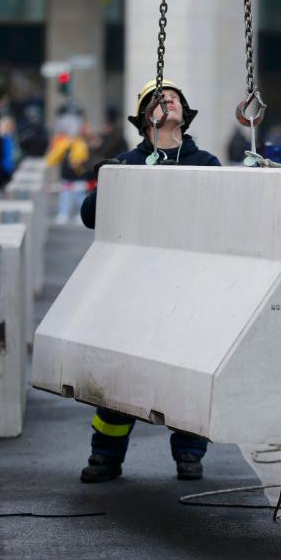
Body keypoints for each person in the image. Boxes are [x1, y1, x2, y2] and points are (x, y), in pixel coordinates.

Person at [79, 78, 221, 483]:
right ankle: (105, 455)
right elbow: (90, 216)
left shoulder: (206, 164)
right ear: (146, 119)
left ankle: (190, 455)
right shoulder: (126, 164)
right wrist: (109, 181)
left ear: (184, 115)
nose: (169, 102)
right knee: (121, 375)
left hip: (190, 287)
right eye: (159, 99)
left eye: (175, 98)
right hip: (134, 288)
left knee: (189, 375)